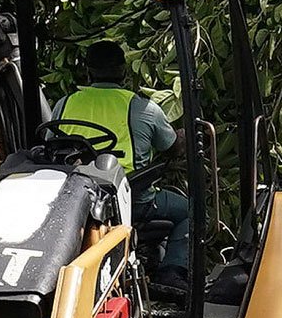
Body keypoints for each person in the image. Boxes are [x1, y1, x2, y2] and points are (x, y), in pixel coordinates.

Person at [60, 42, 191, 292]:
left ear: (88, 72)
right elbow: (172, 146)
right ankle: (171, 272)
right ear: (124, 71)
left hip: (74, 204)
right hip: (132, 200)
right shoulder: (143, 108)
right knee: (190, 211)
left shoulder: (64, 104)